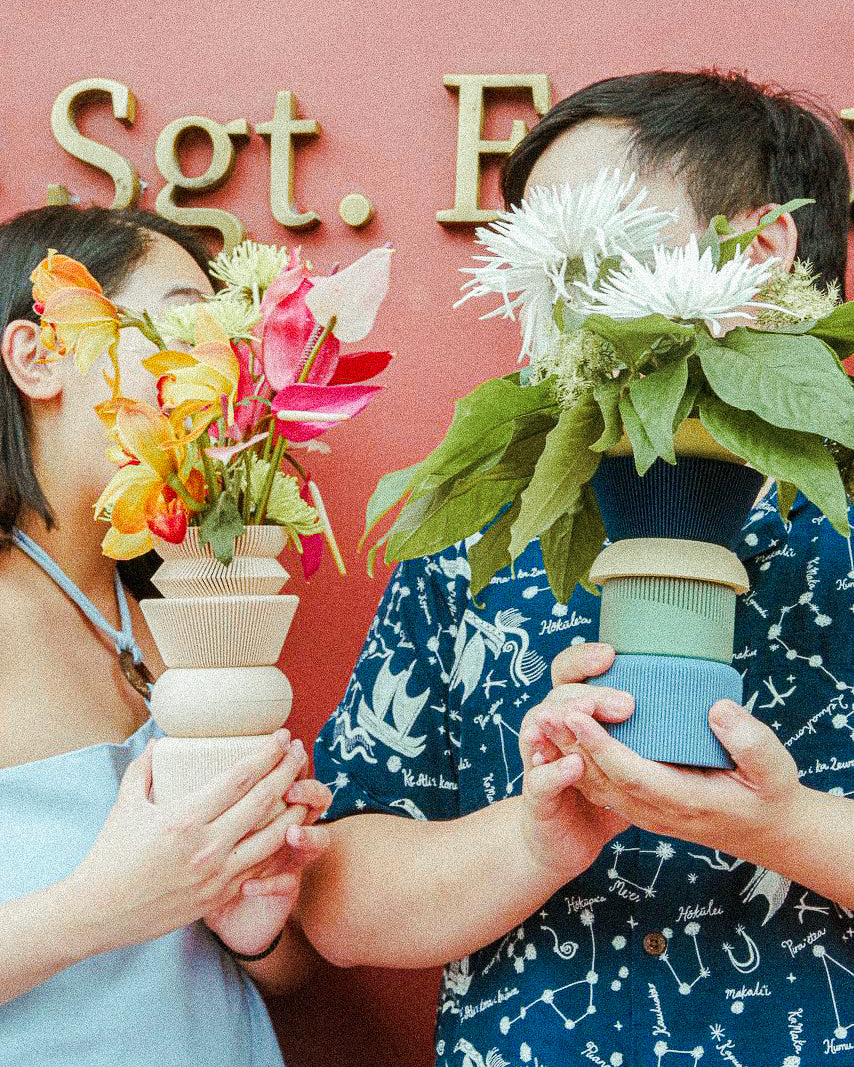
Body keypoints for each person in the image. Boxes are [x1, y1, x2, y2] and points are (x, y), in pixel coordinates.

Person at [296, 71, 854, 1066]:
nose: (544, 295)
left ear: (758, 248)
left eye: (585, 245)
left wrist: (785, 825)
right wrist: (535, 837)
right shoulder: (482, 534)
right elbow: (336, 905)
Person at [0, 205, 331, 1066]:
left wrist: (257, 926)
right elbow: (129, 906)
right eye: (188, 319)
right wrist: (98, 908)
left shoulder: (180, 605)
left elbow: (274, 968)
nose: (227, 367)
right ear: (38, 358)